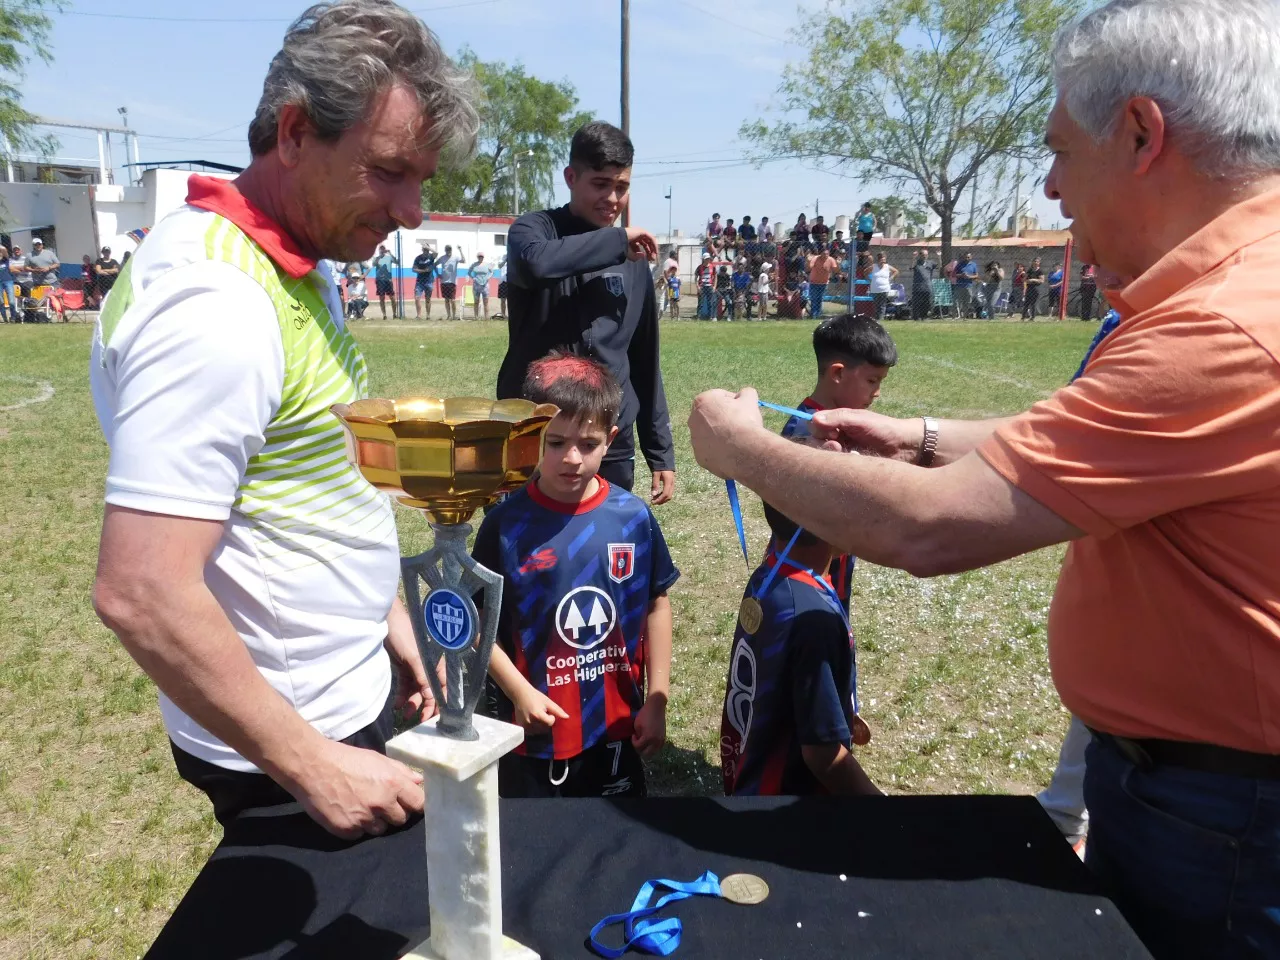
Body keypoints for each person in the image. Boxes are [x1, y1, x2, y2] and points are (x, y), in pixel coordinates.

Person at [688, 2, 1280, 953]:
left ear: (1140, 132)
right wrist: (918, 435)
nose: (1049, 188)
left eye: (1057, 149)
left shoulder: (1222, 328)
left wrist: (740, 445)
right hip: (1204, 795)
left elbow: (928, 530)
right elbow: (1090, 442)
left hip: (1227, 818)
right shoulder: (1245, 288)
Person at [89, 0, 480, 840]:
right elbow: (141, 589)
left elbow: (299, 479)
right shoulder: (215, 303)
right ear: (295, 133)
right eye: (389, 171)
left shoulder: (297, 260)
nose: (412, 211)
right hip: (301, 733)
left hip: (339, 687)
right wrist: (309, 762)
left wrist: (386, 619)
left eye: (423, 179)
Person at [477, 353, 678, 798]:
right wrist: (518, 692)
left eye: (588, 444)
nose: (572, 458)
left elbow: (656, 604)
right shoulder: (505, 525)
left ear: (610, 439)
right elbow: (477, 625)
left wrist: (657, 697)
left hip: (615, 725)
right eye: (555, 443)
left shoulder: (632, 517)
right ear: (530, 438)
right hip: (535, 733)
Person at [497, 121, 676, 503]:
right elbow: (537, 265)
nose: (612, 198)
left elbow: (645, 359)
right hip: (539, 431)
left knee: (603, 546)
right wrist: (615, 241)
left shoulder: (634, 260)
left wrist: (660, 451)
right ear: (571, 177)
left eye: (622, 187)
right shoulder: (534, 231)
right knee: (528, 549)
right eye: (600, 184)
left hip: (610, 437)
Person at [721, 495, 880, 798]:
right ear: (827, 524)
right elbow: (823, 755)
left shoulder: (768, 574)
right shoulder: (813, 618)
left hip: (752, 773)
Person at [779, 314, 897, 618]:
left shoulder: (842, 421)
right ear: (838, 373)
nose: (878, 392)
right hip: (808, 578)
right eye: (872, 380)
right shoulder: (807, 434)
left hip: (832, 572)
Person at [806, 244, 839, 319]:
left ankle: (818, 314)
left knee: (819, 299)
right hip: (813, 282)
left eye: (827, 254)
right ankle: (814, 315)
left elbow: (836, 271)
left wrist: (838, 263)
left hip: (824, 283)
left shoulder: (831, 259)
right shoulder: (815, 258)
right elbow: (809, 268)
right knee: (814, 298)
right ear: (820, 253)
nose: (826, 255)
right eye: (824, 254)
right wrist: (808, 261)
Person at [368, 244, 398, 319]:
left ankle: (394, 313)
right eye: (381, 249)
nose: (382, 250)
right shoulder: (376, 258)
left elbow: (397, 262)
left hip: (388, 280)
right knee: (381, 298)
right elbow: (373, 264)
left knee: (392, 297)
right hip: (380, 280)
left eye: (383, 248)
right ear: (379, 250)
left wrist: (390, 253)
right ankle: (384, 315)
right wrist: (378, 257)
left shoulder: (389, 257)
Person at [868, 252, 898, 320]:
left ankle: (881, 319)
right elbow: (865, 272)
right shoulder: (874, 266)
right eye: (882, 259)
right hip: (875, 289)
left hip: (884, 289)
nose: (883, 261)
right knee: (876, 305)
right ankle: (876, 319)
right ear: (879, 259)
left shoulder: (887, 266)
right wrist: (869, 279)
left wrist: (892, 277)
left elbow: (896, 271)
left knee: (882, 305)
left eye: (884, 260)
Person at [411, 241, 437, 319]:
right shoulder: (418, 258)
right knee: (417, 298)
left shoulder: (431, 257)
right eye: (424, 249)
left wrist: (427, 246)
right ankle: (419, 315)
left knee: (428, 299)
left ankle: (428, 315)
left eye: (427, 249)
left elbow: (436, 252)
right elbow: (413, 269)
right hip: (419, 282)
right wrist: (423, 271)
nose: (426, 251)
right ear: (422, 250)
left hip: (429, 281)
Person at [437, 243, 462, 319]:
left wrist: (460, 250)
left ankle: (454, 315)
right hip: (444, 282)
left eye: (449, 249)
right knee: (446, 300)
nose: (448, 251)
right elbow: (434, 265)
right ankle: (449, 315)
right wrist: (438, 274)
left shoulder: (455, 257)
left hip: (452, 282)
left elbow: (464, 260)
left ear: (451, 250)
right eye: (447, 249)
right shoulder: (442, 258)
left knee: (453, 300)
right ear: (445, 250)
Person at [910, 249, 935, 320]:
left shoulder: (930, 263)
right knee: (917, 303)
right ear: (920, 255)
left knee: (927, 303)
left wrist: (939, 257)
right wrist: (914, 258)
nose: (925, 256)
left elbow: (940, 266)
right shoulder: (916, 263)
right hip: (917, 287)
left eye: (926, 255)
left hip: (927, 287)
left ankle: (924, 317)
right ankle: (916, 317)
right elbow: (911, 267)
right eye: (923, 255)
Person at [469, 251, 494, 319]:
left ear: (483, 257)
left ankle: (486, 317)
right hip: (476, 285)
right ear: (477, 257)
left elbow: (492, 272)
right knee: (476, 302)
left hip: (485, 285)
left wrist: (488, 277)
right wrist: (473, 278)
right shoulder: (474, 264)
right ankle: (476, 317)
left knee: (485, 302)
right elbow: (469, 272)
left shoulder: (487, 264)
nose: (481, 258)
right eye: (479, 256)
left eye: (482, 256)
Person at [954, 252, 979, 318]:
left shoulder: (974, 265)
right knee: (958, 301)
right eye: (966, 257)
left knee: (968, 301)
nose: (967, 258)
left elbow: (976, 275)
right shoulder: (959, 264)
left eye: (968, 257)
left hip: (969, 286)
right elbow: (954, 274)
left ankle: (965, 316)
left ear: (971, 257)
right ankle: (958, 315)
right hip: (959, 286)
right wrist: (961, 275)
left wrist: (969, 277)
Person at [695, 251, 716, 320]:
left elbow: (715, 276)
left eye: (708, 259)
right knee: (700, 302)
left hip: (709, 286)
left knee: (710, 302)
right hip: (702, 287)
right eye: (706, 259)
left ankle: (710, 316)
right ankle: (698, 316)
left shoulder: (712, 267)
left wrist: (714, 286)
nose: (708, 260)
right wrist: (697, 287)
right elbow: (696, 278)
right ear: (703, 259)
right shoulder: (699, 267)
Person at [0, 245, 14, 322]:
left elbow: (4, 249)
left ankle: (13, 318)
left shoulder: (5, 260)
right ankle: (5, 319)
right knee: (1, 302)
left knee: (11, 301)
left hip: (8, 281)